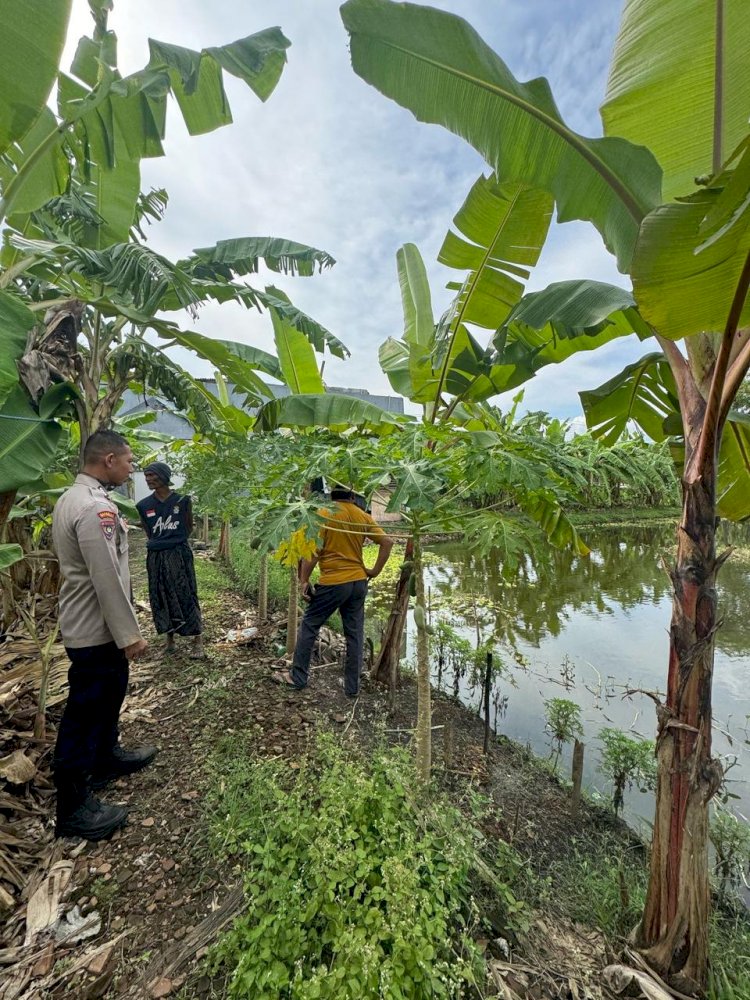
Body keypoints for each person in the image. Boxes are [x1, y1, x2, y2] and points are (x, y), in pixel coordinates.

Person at [52, 430, 156, 840]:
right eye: (129, 461)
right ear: (108, 459)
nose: (132, 468)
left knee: (108, 697)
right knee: (84, 712)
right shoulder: (94, 508)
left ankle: (105, 757)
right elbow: (106, 577)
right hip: (97, 629)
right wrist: (129, 634)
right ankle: (73, 806)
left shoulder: (72, 498)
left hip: (93, 626)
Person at [277, 486, 394, 696]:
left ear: (331, 494)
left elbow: (312, 554)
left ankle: (297, 677)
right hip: (358, 582)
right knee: (355, 635)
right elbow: (387, 541)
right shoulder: (361, 515)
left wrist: (303, 580)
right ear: (352, 495)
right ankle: (352, 689)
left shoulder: (323, 514)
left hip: (333, 582)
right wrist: (374, 571)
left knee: (310, 625)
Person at [136, 462, 204, 658]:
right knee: (160, 594)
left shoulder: (182, 500)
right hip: (156, 556)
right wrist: (163, 542)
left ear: (164, 476)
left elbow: (188, 526)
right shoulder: (143, 505)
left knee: (187, 591)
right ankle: (169, 640)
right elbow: (150, 533)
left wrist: (174, 541)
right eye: (146, 476)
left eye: (152, 475)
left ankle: (197, 640)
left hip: (179, 553)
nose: (148, 479)